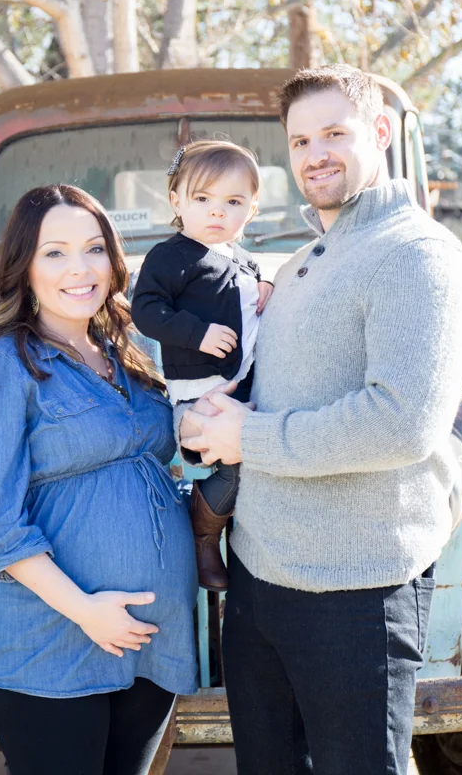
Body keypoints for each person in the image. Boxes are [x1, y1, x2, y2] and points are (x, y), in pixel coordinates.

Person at [179, 65, 462, 774]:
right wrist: (222, 413)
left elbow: (402, 421)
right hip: (260, 580)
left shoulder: (416, 256)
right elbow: (290, 392)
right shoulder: (302, 263)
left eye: (334, 134)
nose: (315, 154)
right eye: (300, 141)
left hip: (356, 593)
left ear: (379, 132)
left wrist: (245, 435)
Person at [0, 184, 198, 775]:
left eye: (93, 249)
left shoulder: (132, 353)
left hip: (149, 639)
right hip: (53, 643)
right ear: (25, 268)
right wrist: (86, 610)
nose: (80, 269)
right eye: (55, 253)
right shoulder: (0, 368)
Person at [130, 140, 274, 591]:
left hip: (247, 388)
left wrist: (266, 286)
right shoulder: (171, 257)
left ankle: (253, 553)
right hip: (201, 392)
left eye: (233, 202)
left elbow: (249, 300)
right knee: (232, 467)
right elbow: (145, 310)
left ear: (251, 210)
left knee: (268, 462)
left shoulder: (245, 261)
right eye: (203, 198)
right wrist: (197, 333)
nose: (217, 211)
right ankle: (203, 537)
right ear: (176, 202)